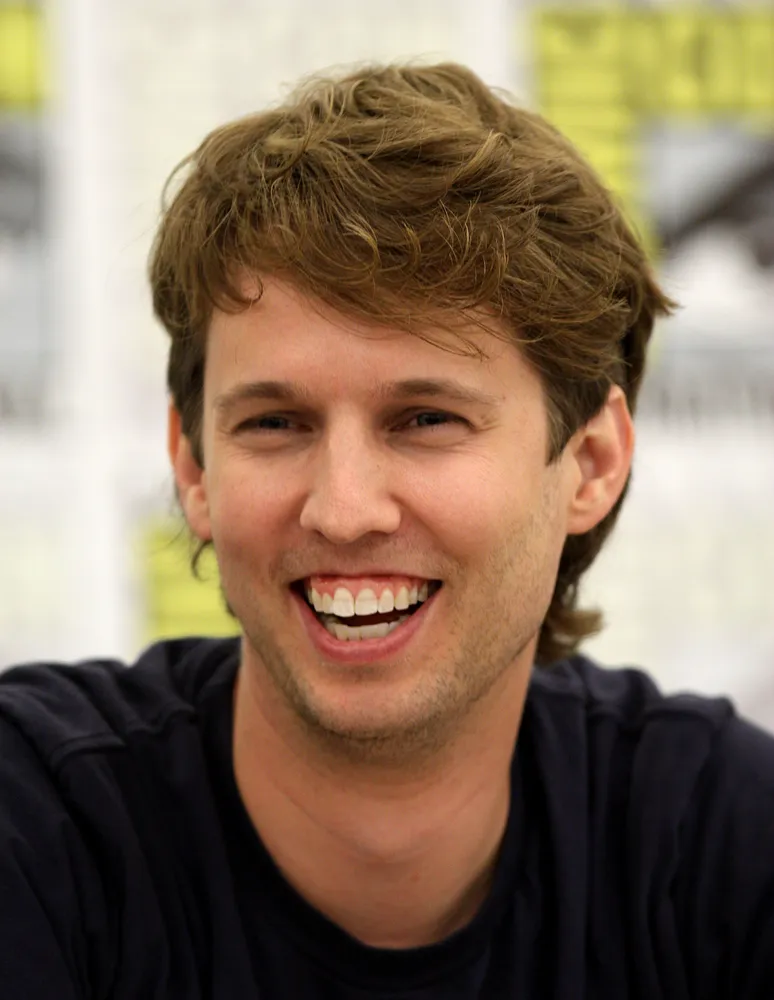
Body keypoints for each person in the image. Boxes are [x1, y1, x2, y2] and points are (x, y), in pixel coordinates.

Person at [1, 62, 772, 1000]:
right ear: (194, 467)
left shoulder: (722, 841)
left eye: (426, 420)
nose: (344, 509)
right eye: (275, 423)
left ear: (594, 462)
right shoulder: (35, 821)